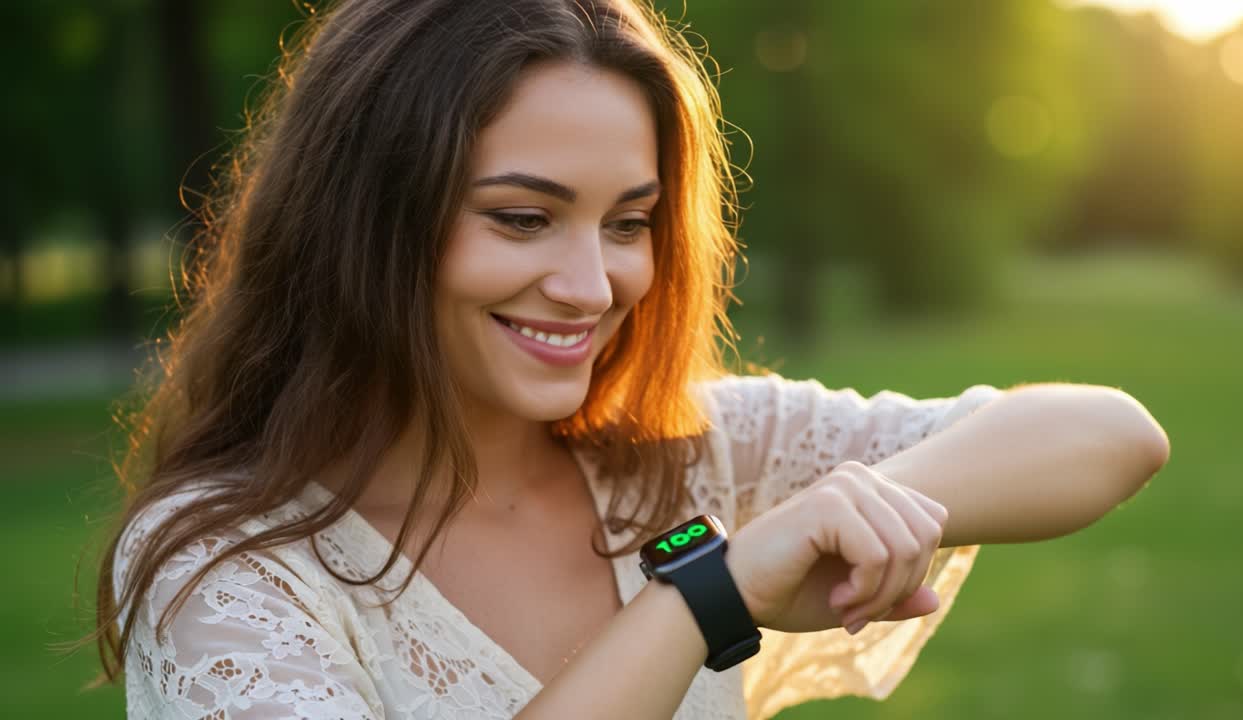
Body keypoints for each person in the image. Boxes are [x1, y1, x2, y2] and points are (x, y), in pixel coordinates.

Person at [82, 0, 1171, 718]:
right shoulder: (223, 569)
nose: (592, 286)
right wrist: (713, 590)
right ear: (364, 219)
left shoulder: (681, 458)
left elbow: (1109, 436)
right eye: (521, 219)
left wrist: (827, 515)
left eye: (626, 223)